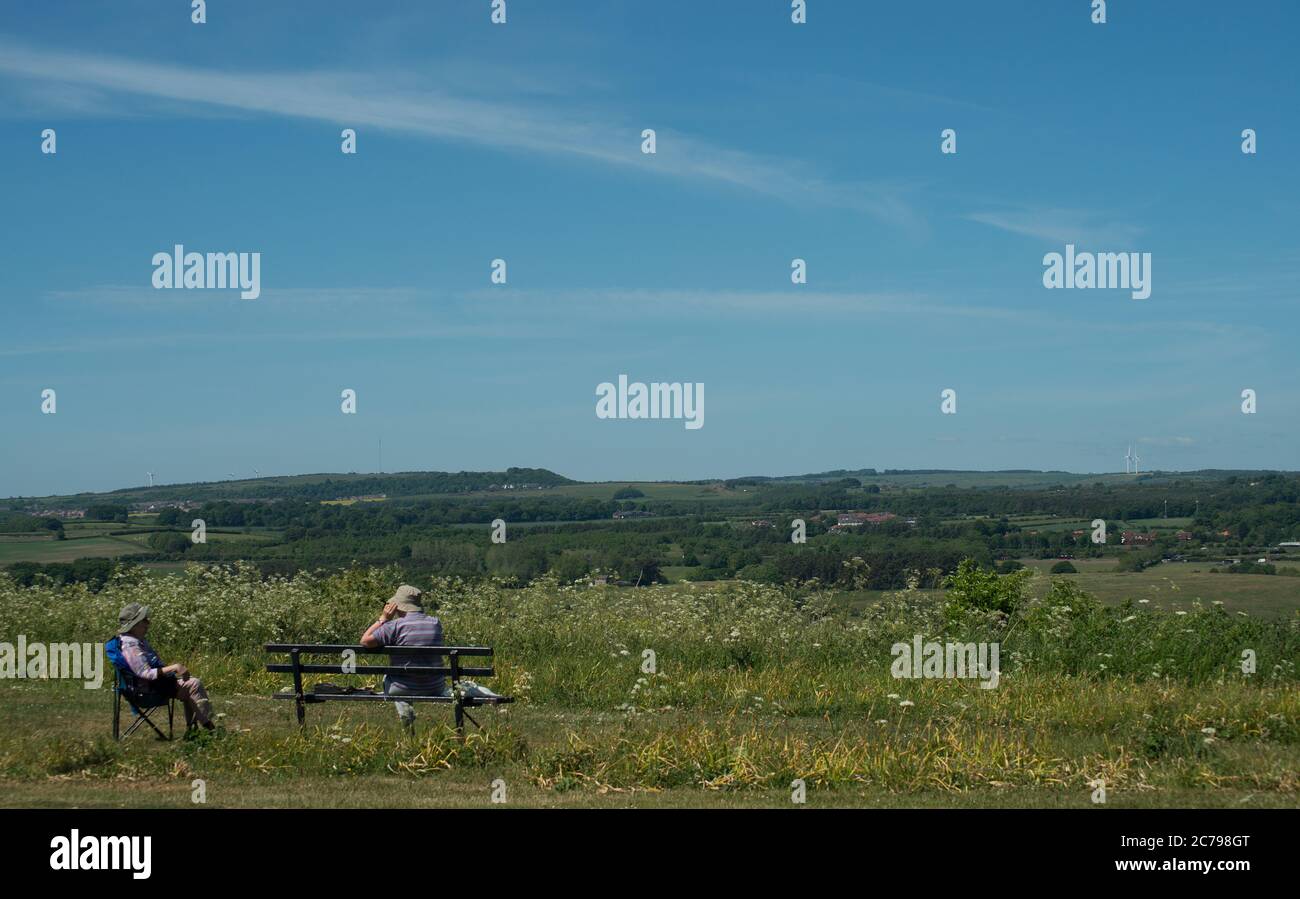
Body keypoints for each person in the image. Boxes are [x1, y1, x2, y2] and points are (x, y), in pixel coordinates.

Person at [116, 602, 215, 733]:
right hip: (146, 691)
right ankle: (209, 728)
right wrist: (175, 667)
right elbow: (144, 672)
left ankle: (194, 730)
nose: (148, 623)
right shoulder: (131, 645)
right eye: (144, 620)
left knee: (190, 686)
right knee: (193, 685)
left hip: (150, 686)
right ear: (134, 625)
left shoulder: (135, 641)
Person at [360, 585, 444, 730]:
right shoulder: (435, 623)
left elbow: (365, 641)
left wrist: (383, 619)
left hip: (401, 688)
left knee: (389, 677)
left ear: (397, 606)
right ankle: (407, 713)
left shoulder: (394, 626)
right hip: (434, 687)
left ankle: (406, 716)